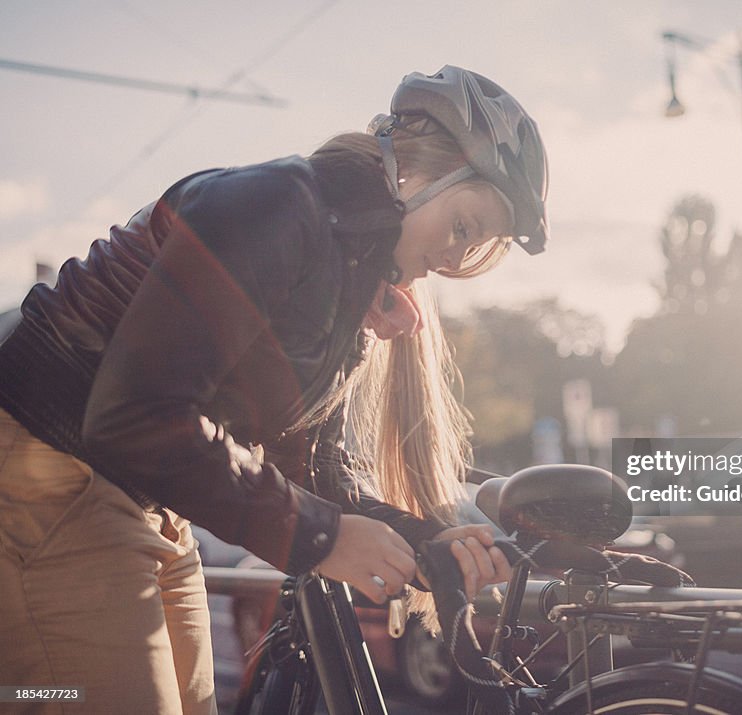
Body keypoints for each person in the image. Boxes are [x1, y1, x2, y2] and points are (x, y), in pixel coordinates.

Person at [0, 65, 549, 714]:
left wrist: (427, 539)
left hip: (143, 496)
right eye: (462, 228)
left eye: (476, 248)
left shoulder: (345, 284)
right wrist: (320, 538)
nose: (455, 264)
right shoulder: (276, 205)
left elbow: (311, 466)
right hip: (49, 473)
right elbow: (132, 414)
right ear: (411, 174)